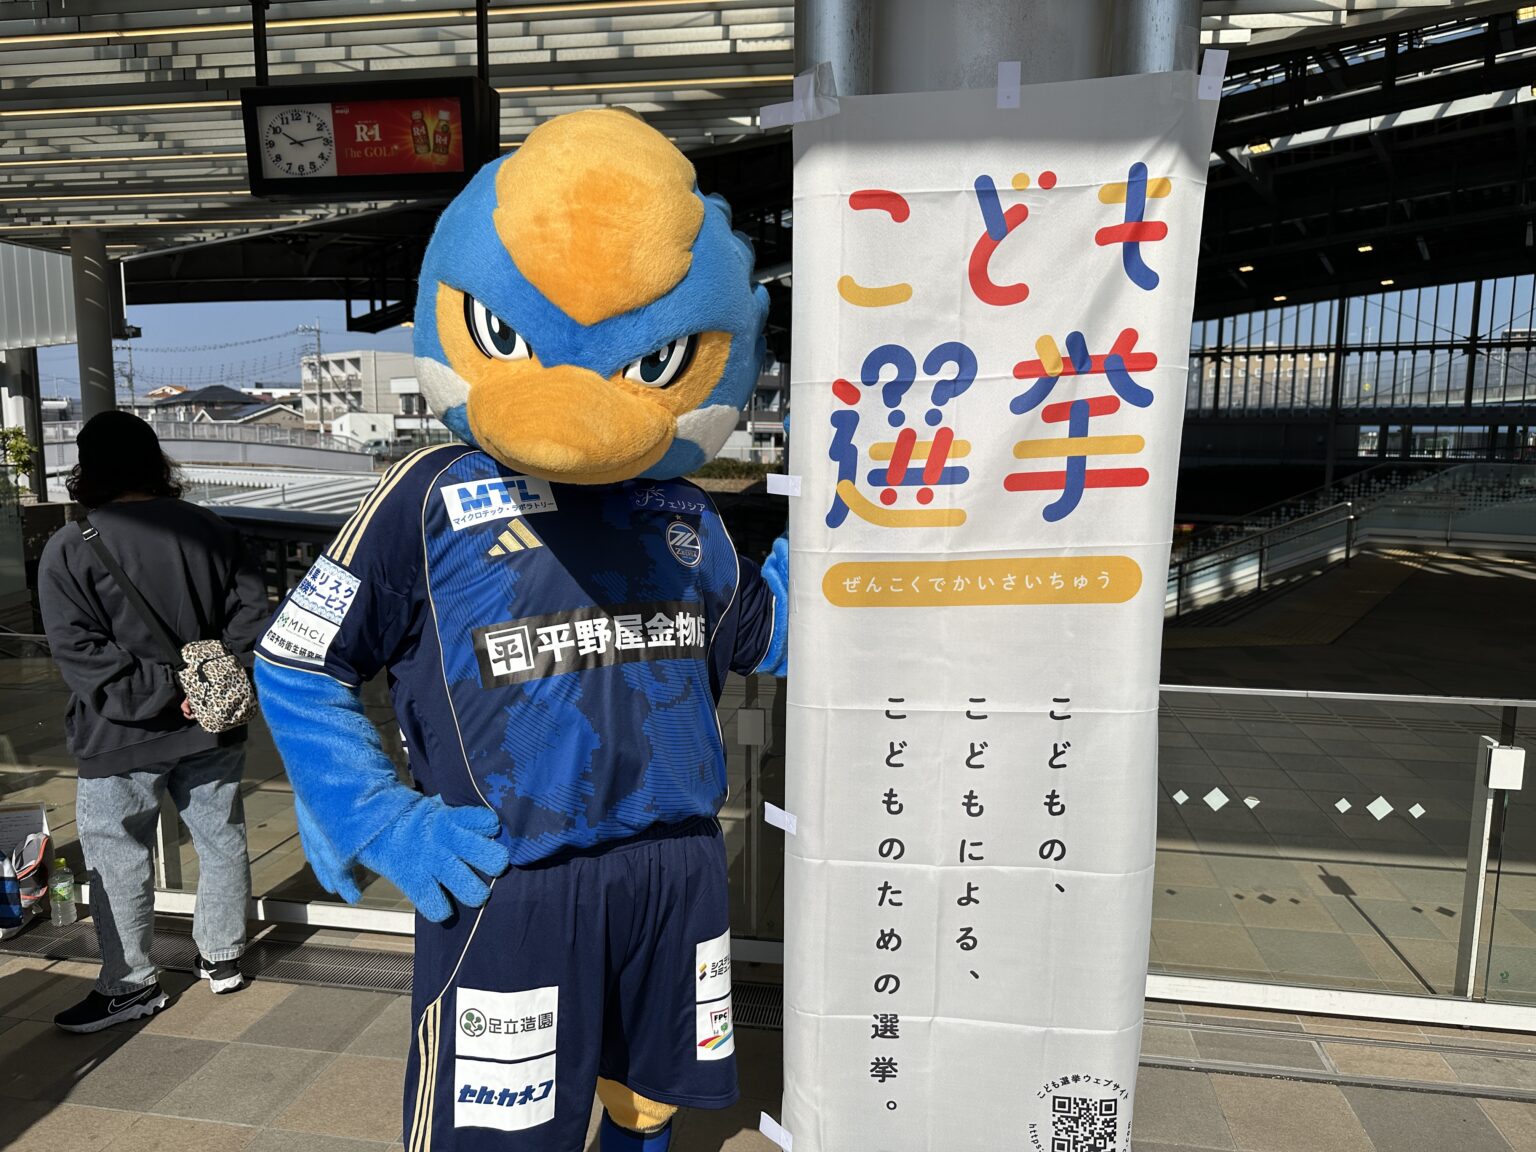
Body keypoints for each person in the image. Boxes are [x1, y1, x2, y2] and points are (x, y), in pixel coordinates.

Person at [37, 411, 269, 1032]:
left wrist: (164, 689)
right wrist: (208, 681)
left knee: (118, 854)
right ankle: (222, 957)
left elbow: (80, 650)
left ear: (88, 469)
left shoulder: (73, 545)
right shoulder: (212, 529)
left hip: (121, 732)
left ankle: (131, 985)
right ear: (155, 462)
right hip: (211, 722)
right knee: (221, 837)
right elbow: (254, 618)